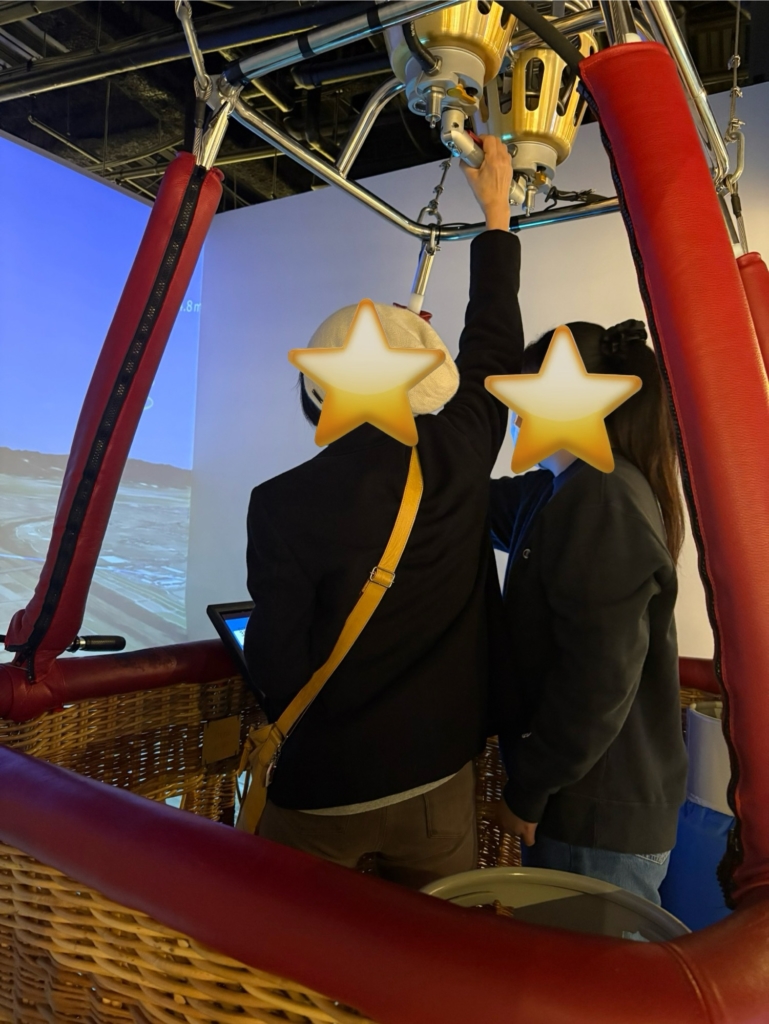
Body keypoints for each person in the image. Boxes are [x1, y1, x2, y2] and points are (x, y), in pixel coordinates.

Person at [244, 137, 520, 888]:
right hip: (437, 781)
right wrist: (496, 215)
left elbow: (275, 666)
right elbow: (493, 347)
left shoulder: (278, 503)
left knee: (290, 946)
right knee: (435, 948)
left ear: (318, 394)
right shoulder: (459, 453)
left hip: (321, 787)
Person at [490, 320, 688, 905]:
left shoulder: (601, 497)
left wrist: (529, 788)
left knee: (589, 962)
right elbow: (478, 503)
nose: (514, 411)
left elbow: (598, 677)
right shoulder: (559, 489)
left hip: (595, 813)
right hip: (590, 799)